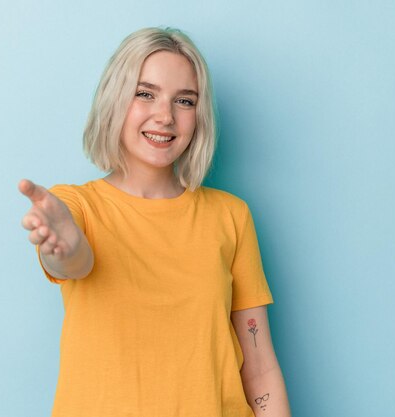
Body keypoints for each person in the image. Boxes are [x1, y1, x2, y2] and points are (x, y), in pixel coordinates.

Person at [19, 27, 291, 417]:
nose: (165, 116)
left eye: (184, 100)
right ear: (115, 100)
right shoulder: (76, 206)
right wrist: (64, 246)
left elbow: (260, 367)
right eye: (145, 93)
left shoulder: (230, 216)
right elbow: (73, 261)